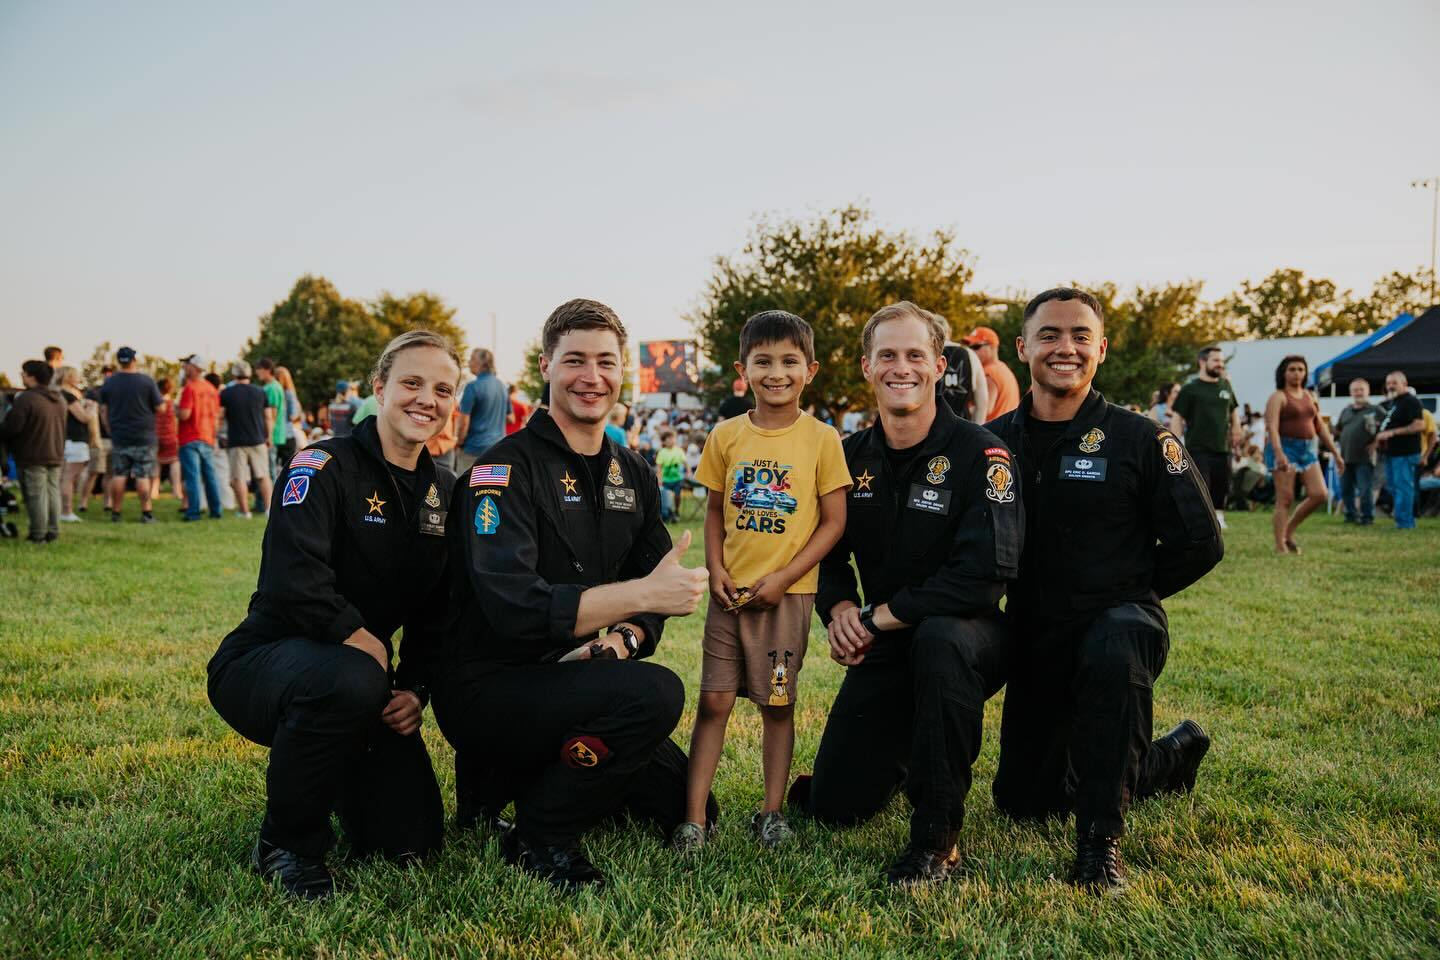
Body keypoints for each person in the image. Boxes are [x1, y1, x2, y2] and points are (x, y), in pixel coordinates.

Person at [431, 299, 711, 891]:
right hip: (491, 685)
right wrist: (646, 594)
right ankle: (541, 833)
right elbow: (516, 607)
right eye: (575, 361)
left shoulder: (632, 471)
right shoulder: (501, 471)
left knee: (688, 807)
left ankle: (529, 776)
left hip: (582, 677)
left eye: (606, 362)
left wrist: (625, 639)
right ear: (546, 367)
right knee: (657, 694)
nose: (592, 377)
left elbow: (651, 596)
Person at [207, 331, 461, 899]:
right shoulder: (321, 462)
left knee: (410, 841)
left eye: (442, 389)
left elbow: (439, 611)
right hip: (265, 662)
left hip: (363, 683)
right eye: (411, 383)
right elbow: (291, 579)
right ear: (380, 388)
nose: (426, 399)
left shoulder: (445, 491)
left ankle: (341, 764)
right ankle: (287, 843)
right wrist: (356, 635)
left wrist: (415, 688)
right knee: (353, 677)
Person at [987, 287, 1223, 892]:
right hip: (1037, 632)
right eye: (1049, 335)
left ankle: (1100, 845)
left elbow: (1202, 542)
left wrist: (1129, 590)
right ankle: (1168, 758)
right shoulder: (989, 441)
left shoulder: (1140, 439)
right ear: (1022, 349)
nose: (1065, 348)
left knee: (1116, 646)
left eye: (1080, 336)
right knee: (1025, 803)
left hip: (1119, 622)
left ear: (1101, 350)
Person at [787, 302, 1021, 885]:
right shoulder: (846, 455)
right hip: (885, 635)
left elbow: (983, 575)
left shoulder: (980, 451)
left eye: (915, 355)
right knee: (834, 807)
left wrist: (874, 618)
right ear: (867, 367)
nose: (901, 367)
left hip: (970, 632)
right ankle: (907, 753)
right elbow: (828, 550)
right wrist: (841, 610)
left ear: (939, 366)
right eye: (887, 355)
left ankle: (937, 842)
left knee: (940, 642)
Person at [676, 311, 850, 853]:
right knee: (714, 703)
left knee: (778, 704)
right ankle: (695, 819)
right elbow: (713, 514)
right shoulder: (726, 435)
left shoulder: (822, 440)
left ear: (811, 369)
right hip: (731, 599)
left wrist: (784, 577)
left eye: (789, 361)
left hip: (786, 599)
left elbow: (834, 522)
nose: (777, 373)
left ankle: (771, 813)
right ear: (742, 370)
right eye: (763, 362)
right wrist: (718, 569)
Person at [1263, 355, 1342, 554]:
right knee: (1285, 498)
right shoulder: (1278, 396)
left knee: (1319, 494)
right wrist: (1280, 453)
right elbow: (1271, 427)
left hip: (1308, 449)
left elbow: (1320, 427)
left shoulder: (1309, 396)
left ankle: (1288, 531)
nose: (1297, 373)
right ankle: (1280, 545)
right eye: (1292, 369)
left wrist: (1335, 453)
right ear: (1284, 372)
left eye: (1300, 369)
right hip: (1284, 447)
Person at [1172, 347, 1242, 530]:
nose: (1220, 364)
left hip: (1222, 446)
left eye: (1222, 361)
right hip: (1198, 447)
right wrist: (1174, 442)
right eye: (1216, 360)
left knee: (1222, 484)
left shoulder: (1226, 386)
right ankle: (1201, 519)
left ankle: (1219, 517)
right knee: (1201, 485)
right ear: (1202, 362)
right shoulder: (1190, 389)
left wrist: (1237, 428)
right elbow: (1178, 417)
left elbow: (1233, 410)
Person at [0, 360, 66, 543]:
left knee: (36, 495)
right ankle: (53, 531)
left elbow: (13, 427)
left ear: (31, 376)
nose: (21, 376)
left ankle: (37, 534)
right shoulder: (59, 399)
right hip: (55, 452)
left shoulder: (27, 399)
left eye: (23, 373)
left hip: (32, 454)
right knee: (52, 493)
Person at [99, 346, 163, 523]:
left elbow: (103, 410)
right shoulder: (146, 381)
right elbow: (160, 407)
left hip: (120, 435)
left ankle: (116, 512)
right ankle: (146, 513)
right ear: (134, 360)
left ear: (119, 361)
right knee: (142, 475)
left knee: (119, 474)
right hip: (144, 435)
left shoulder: (110, 383)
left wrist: (110, 429)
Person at [218, 361, 273, 520]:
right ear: (249, 374)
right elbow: (268, 417)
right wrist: (268, 436)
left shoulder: (227, 393)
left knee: (238, 477)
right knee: (263, 476)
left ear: (234, 375)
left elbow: (220, 417)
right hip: (258, 439)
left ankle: (244, 511)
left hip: (236, 440)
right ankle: (269, 509)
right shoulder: (260, 392)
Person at [176, 355, 224, 522]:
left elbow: (184, 414)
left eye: (187, 365)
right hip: (207, 436)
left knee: (193, 477)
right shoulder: (212, 389)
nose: (184, 368)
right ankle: (216, 510)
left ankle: (194, 512)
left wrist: (176, 409)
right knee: (210, 476)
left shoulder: (190, 388)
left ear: (194, 367)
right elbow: (217, 417)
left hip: (190, 437)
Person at [1376, 370, 1425, 530]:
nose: (1390, 386)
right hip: (1392, 453)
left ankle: (1405, 523)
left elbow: (1419, 425)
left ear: (1404, 384)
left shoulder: (1411, 401)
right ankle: (1402, 520)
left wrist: (1392, 432)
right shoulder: (1394, 403)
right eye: (1388, 383)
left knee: (1404, 488)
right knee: (1394, 487)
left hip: (1406, 453)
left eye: (1394, 383)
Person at [1333, 378, 1383, 525]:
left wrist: (1376, 441)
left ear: (1368, 391)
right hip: (1345, 457)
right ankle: (1350, 515)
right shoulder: (1346, 410)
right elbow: (1338, 430)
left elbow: (1386, 428)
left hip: (1365, 457)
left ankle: (1367, 517)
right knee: (1346, 489)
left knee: (1365, 490)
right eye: (1355, 390)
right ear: (1351, 392)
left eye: (1361, 389)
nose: (1358, 393)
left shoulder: (1376, 410)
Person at [455, 347, 508, 475]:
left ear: (482, 363)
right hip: (499, 451)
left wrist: (459, 443)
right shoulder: (502, 386)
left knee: (465, 491)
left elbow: (463, 423)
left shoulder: (472, 387)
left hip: (473, 451)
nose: (469, 363)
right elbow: (510, 416)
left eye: (472, 359)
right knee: (495, 491)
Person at [55, 366, 97, 522]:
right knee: (69, 478)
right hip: (75, 440)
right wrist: (92, 409)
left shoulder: (57, 394)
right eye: (76, 375)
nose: (79, 378)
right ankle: (66, 512)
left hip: (64, 439)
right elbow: (84, 417)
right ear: (69, 377)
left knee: (63, 477)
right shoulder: (68, 396)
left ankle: (58, 510)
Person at [961, 325, 1021, 420]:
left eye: (976, 347)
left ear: (992, 347)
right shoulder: (1003, 368)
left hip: (992, 432)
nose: (971, 351)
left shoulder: (988, 373)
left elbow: (984, 408)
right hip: (1005, 431)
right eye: (969, 347)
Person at [81, 365, 114, 515]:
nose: (108, 375)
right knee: (93, 472)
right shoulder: (94, 392)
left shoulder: (117, 392)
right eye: (106, 372)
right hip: (98, 438)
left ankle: (108, 502)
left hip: (114, 439)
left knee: (110, 473)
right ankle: (83, 502)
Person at [255, 358, 287, 480]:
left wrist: (269, 435)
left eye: (259, 369)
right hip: (273, 434)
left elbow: (272, 414)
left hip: (271, 434)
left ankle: (272, 497)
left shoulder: (272, 388)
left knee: (269, 469)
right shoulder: (273, 386)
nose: (257, 372)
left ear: (267, 370)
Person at [152, 377, 182, 505]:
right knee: (174, 462)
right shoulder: (173, 404)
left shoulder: (154, 405)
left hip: (156, 436)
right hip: (171, 436)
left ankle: (154, 491)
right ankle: (176, 490)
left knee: (156, 464)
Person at [655, 430, 688, 523]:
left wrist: (688, 472)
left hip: (678, 479)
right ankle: (668, 513)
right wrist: (659, 478)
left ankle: (676, 511)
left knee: (677, 496)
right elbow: (659, 467)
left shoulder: (679, 450)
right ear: (664, 442)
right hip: (666, 480)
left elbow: (685, 463)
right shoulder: (662, 452)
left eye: (673, 438)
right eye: (668, 439)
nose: (671, 440)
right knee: (665, 497)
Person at [274, 365, 304, 464]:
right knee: (287, 467)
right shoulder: (289, 393)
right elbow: (293, 415)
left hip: (275, 434)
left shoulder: (273, 392)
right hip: (288, 433)